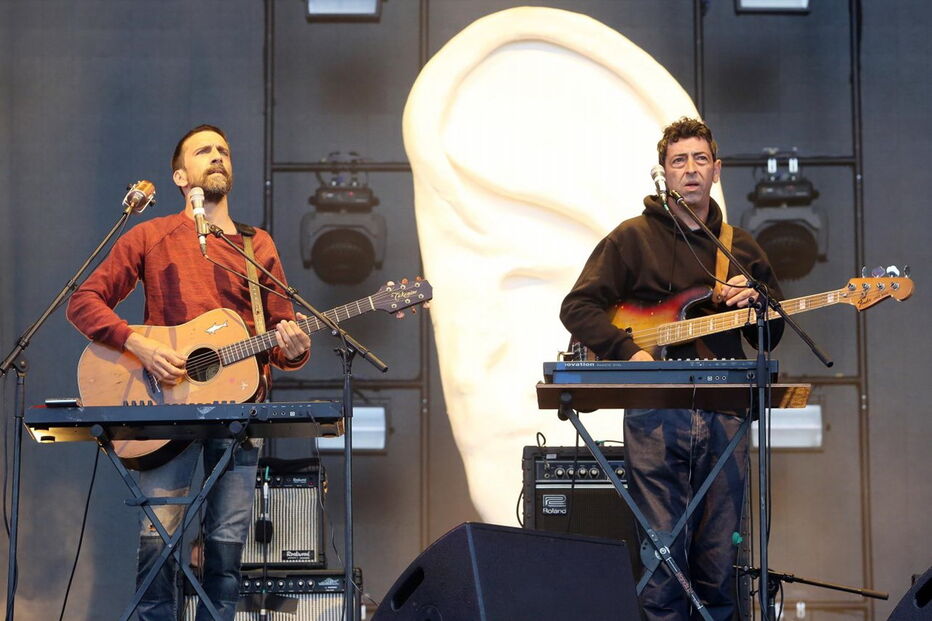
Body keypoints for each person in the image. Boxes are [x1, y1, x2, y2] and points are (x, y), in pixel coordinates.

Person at [66, 124, 311, 620]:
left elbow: (283, 335)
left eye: (223, 150)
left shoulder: (253, 244)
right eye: (204, 151)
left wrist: (296, 344)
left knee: (226, 548)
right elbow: (83, 302)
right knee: (160, 538)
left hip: (242, 413)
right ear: (181, 175)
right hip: (165, 406)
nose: (217, 156)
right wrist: (140, 344)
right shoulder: (151, 235)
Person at [560, 117, 784, 621]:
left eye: (700, 159)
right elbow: (577, 308)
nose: (690, 170)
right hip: (655, 414)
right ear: (663, 173)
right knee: (661, 566)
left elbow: (770, 337)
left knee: (719, 563)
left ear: (716, 170)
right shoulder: (632, 239)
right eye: (678, 161)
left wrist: (757, 307)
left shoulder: (739, 247)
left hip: (724, 414)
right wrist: (628, 351)